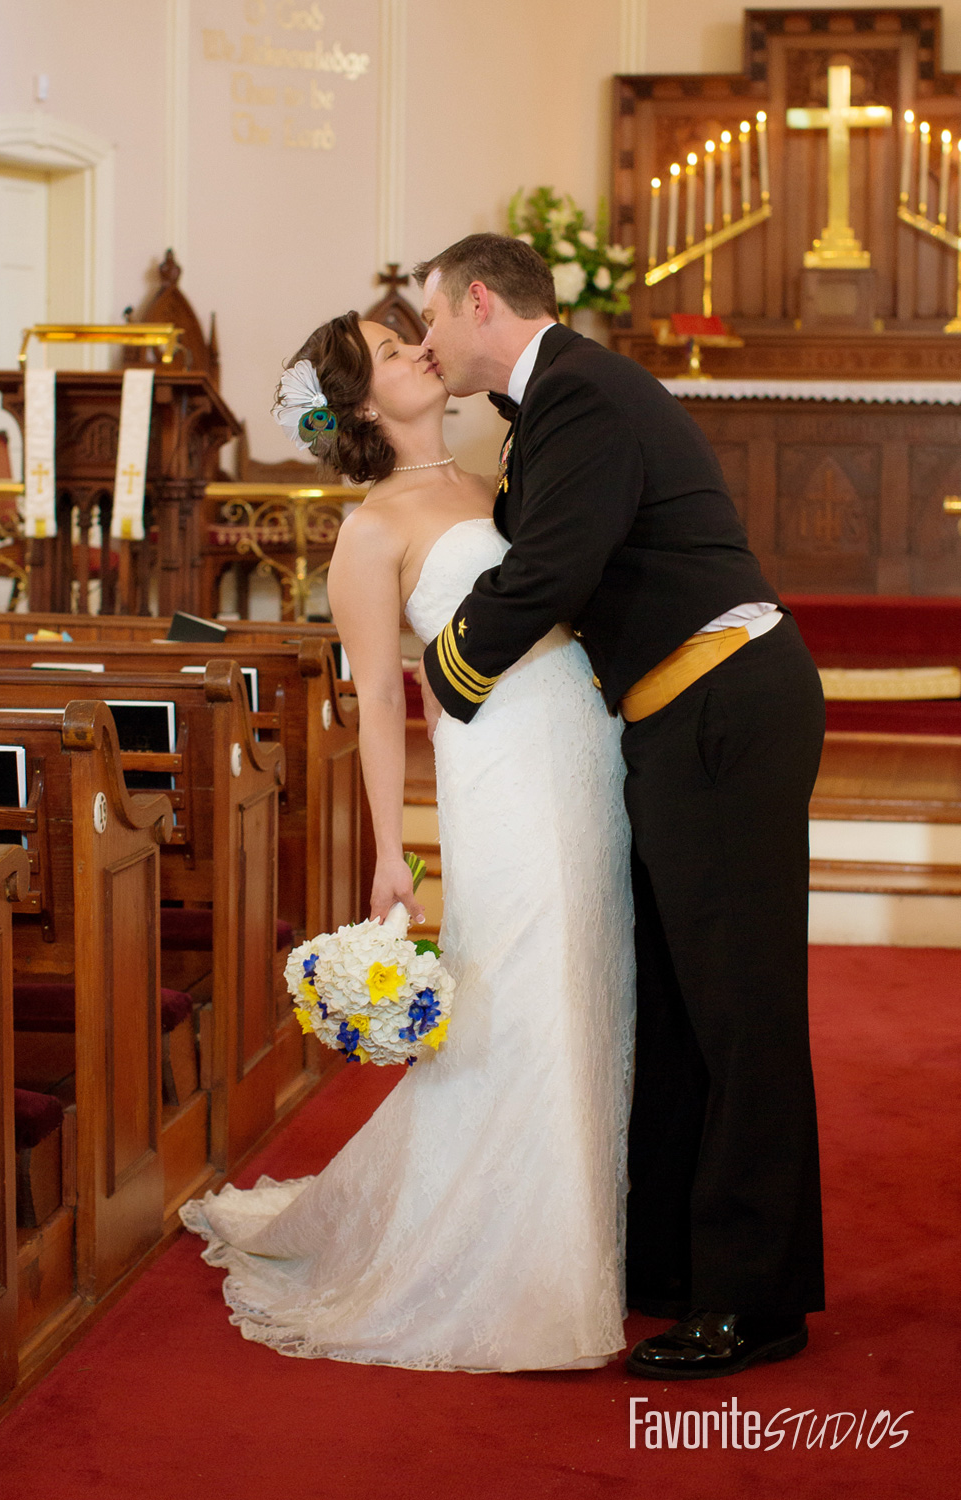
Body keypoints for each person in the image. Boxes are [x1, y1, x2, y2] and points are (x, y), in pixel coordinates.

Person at [180, 308, 635, 1372]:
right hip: (498, 769)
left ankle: (591, 1230)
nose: (420, 349)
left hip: (584, 741)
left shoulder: (494, 482)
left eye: (410, 335)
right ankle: (515, 1260)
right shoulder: (372, 529)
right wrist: (393, 850)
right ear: (364, 406)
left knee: (585, 975)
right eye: (393, 351)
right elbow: (377, 705)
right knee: (518, 991)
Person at [414, 233, 825, 1380]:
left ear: (480, 299)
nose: (428, 338)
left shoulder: (582, 392)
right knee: (684, 1002)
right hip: (680, 718)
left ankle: (758, 1300)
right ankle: (678, 1263)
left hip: (724, 710)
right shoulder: (552, 404)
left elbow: (554, 566)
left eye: (432, 316)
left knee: (739, 1008)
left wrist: (445, 680)